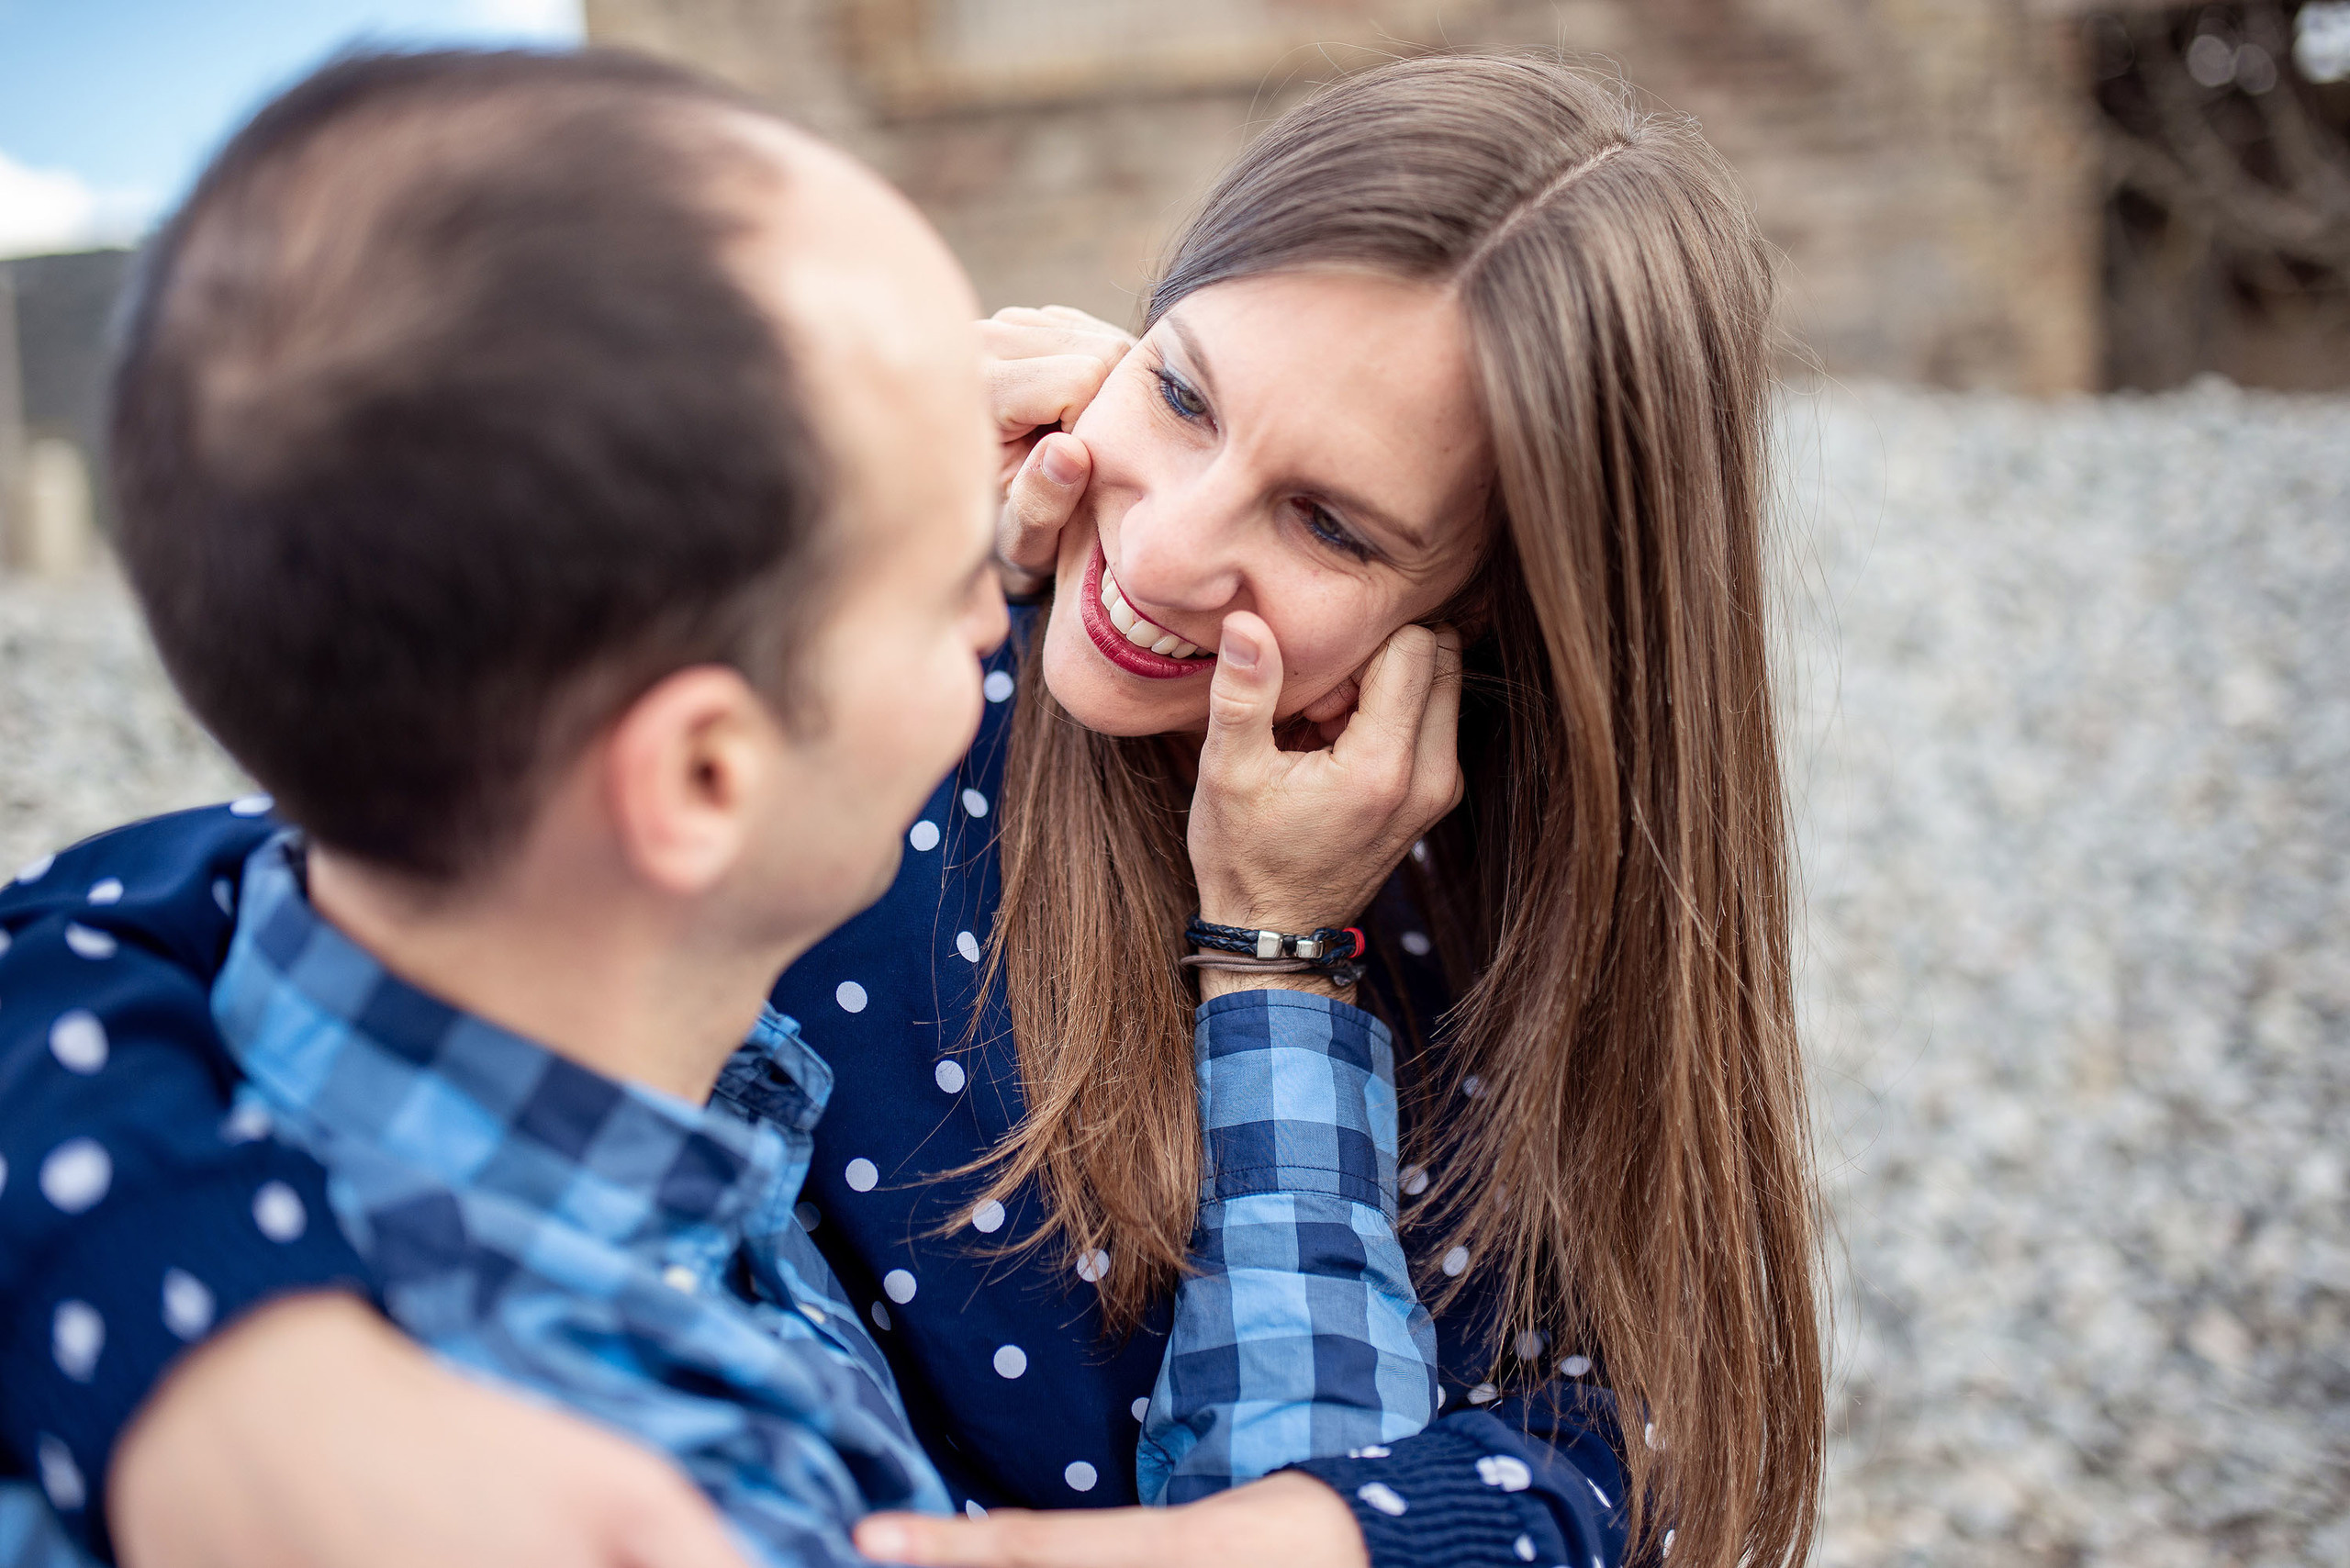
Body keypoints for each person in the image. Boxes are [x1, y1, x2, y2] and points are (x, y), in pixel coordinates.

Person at [1, 50, 1822, 1568]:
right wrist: (223, 1364)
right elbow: (315, 887)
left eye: (1329, 521)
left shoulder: (1489, 907)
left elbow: (1635, 1435)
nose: (1157, 549)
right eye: (1179, 389)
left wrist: (1278, 968)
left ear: (1502, 602)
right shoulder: (863, 694)